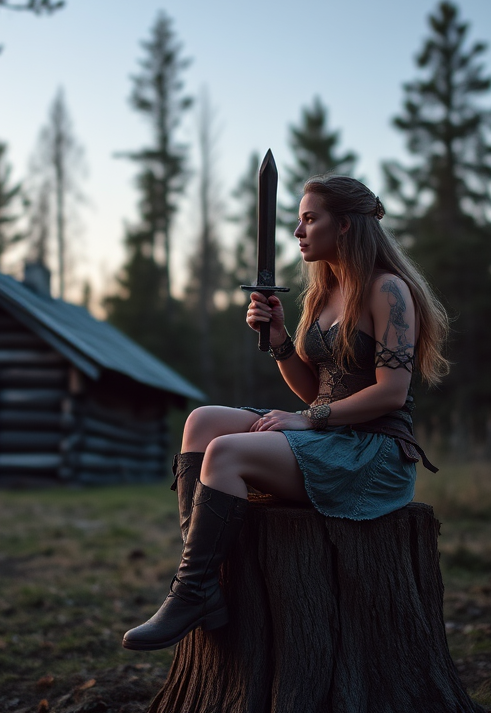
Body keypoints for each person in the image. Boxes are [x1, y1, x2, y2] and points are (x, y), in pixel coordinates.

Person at [122, 175, 449, 652]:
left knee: (227, 453)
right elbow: (312, 387)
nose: (298, 230)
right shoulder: (321, 295)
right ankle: (202, 584)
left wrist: (309, 418)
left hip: (373, 453)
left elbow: (391, 394)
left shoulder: (388, 291)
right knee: (203, 422)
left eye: (310, 219)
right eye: (298, 220)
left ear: (344, 226)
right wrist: (278, 340)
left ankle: (191, 592)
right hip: (330, 434)